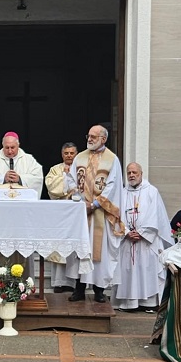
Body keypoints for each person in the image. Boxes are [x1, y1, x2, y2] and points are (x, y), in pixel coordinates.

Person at [63, 125, 125, 303]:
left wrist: (96, 204)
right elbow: (71, 180)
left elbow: (113, 186)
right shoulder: (80, 157)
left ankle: (99, 290)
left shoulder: (112, 160)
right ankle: (79, 288)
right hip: (81, 213)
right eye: (88, 136)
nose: (89, 139)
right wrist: (80, 201)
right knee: (80, 251)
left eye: (93, 136)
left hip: (101, 214)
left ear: (103, 139)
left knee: (100, 253)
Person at [111, 163, 173, 311]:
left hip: (146, 242)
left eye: (134, 172)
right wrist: (126, 232)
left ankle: (149, 303)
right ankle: (128, 303)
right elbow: (115, 215)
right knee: (128, 271)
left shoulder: (152, 191)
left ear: (141, 173)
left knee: (147, 269)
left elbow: (155, 215)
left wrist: (143, 232)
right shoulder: (121, 193)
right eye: (129, 173)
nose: (131, 175)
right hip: (127, 240)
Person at [44, 142, 79, 293]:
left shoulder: (82, 168)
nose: (69, 156)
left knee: (74, 247)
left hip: (76, 214)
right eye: (67, 153)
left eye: (72, 153)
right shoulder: (55, 169)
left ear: (76, 154)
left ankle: (75, 283)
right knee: (59, 247)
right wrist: (65, 178)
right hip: (59, 215)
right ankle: (59, 282)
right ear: (62, 154)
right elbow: (51, 187)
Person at [0, 131, 43, 200]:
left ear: (18, 145)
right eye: (7, 147)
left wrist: (20, 179)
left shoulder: (29, 160)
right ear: (2, 145)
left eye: (12, 147)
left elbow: (38, 178)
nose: (10, 151)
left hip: (22, 202)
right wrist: (2, 178)